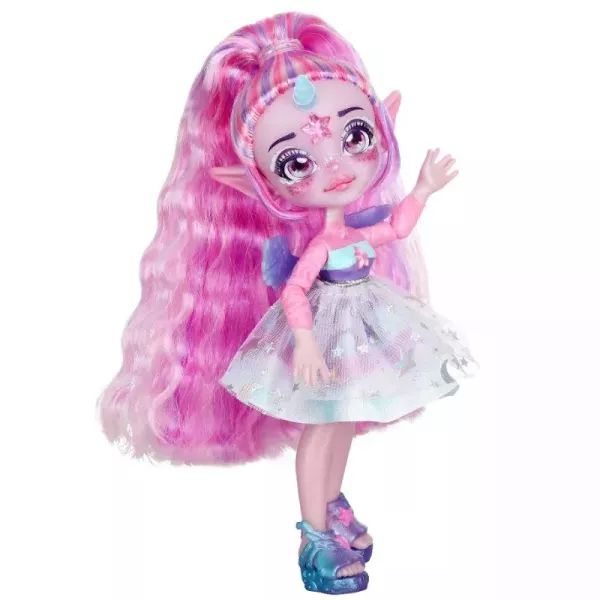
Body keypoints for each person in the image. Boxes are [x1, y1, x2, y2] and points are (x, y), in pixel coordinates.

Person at [97, 11, 478, 594]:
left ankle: (332, 505)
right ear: (257, 181)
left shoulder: (352, 231)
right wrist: (303, 342)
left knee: (342, 421)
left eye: (355, 136)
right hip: (325, 334)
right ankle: (314, 535)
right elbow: (296, 289)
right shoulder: (321, 244)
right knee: (321, 425)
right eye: (296, 163)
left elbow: (397, 228)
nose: (335, 168)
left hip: (360, 323)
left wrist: (424, 187)